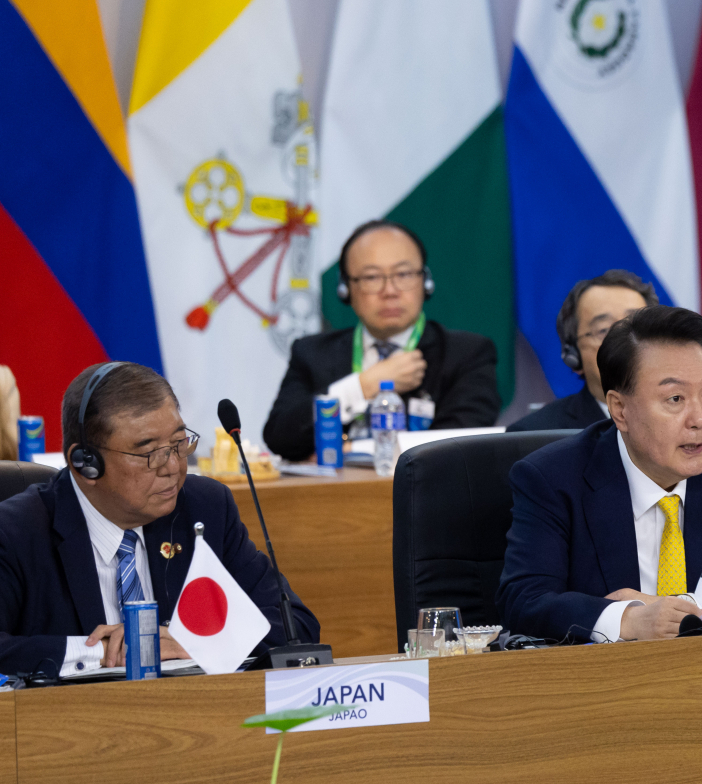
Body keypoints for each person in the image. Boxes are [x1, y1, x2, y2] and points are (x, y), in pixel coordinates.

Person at [497, 306, 702, 642]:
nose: (699, 419)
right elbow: (524, 601)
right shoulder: (554, 478)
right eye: (675, 398)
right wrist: (629, 620)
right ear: (620, 410)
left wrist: (682, 609)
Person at [0, 362, 319, 675]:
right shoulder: (18, 531)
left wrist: (197, 641)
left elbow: (297, 629)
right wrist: (103, 651)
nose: (173, 466)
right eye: (149, 452)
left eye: (179, 444)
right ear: (86, 464)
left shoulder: (205, 508)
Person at [264, 221, 500, 460]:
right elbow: (280, 438)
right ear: (346, 290)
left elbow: (460, 446)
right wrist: (362, 386)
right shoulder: (312, 353)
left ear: (425, 282)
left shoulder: (467, 354)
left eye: (404, 274)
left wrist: (351, 452)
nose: (390, 291)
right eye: (371, 277)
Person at [506, 270, 702, 435]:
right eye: (604, 330)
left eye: (634, 326)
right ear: (572, 353)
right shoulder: (534, 434)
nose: (623, 342)